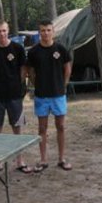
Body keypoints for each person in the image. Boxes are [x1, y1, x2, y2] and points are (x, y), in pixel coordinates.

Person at [0, 20, 31, 173]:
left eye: (4, 30)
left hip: (14, 95)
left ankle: (20, 160)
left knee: (17, 127)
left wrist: (16, 84)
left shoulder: (17, 48)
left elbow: (23, 70)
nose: (2, 34)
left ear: (8, 30)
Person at [26, 20, 72, 172]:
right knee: (42, 128)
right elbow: (30, 71)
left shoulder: (60, 49)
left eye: (48, 30)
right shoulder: (33, 51)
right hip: (41, 96)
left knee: (61, 126)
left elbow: (67, 68)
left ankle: (61, 158)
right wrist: (36, 84)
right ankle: (43, 160)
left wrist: (63, 85)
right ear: (39, 32)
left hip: (58, 95)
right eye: (42, 30)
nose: (45, 33)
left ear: (53, 31)